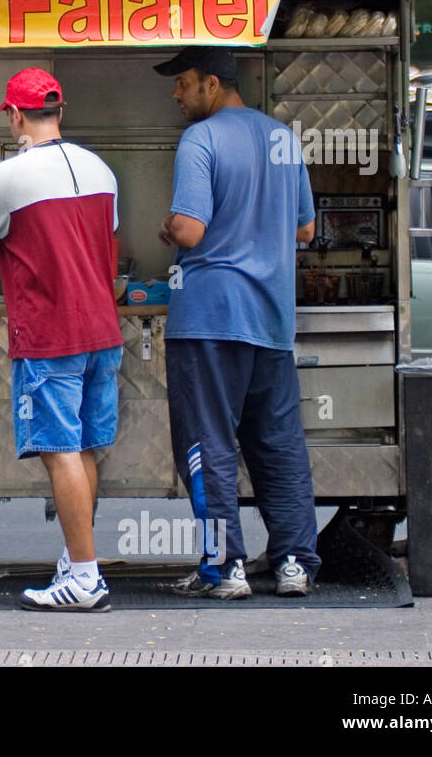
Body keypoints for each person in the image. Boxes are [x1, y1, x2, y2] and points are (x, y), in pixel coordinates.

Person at [0, 68, 121, 612]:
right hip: (103, 330)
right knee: (82, 450)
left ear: (14, 115)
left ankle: (83, 578)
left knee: (60, 453)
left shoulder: (8, 177)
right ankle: (79, 560)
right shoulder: (100, 169)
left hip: (52, 334)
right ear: (60, 111)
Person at [153, 47, 320, 598]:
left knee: (209, 443)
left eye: (182, 83)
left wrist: (169, 227)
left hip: (209, 316)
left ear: (212, 84)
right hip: (271, 318)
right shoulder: (283, 138)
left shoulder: (200, 140)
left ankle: (225, 567)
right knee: (278, 444)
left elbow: (192, 231)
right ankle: (295, 561)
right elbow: (305, 231)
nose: (176, 95)